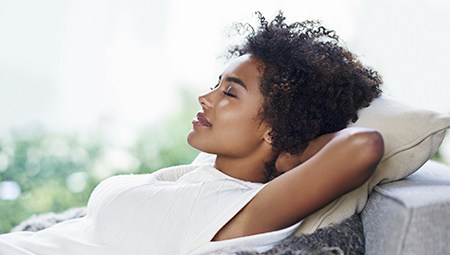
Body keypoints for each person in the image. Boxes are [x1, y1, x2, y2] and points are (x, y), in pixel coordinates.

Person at [0, 11, 384, 255]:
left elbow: (363, 146)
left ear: (275, 126)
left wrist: (289, 147)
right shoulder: (204, 173)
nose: (205, 98)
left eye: (229, 93)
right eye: (216, 85)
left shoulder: (243, 211)